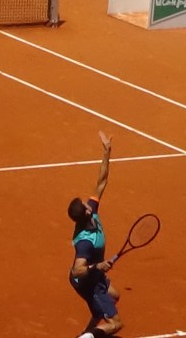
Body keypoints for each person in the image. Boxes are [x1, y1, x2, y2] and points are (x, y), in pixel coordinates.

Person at [68, 131, 122, 338]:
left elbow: (101, 181)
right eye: (85, 204)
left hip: (95, 276)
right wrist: (98, 266)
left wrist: (107, 151)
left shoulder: (92, 211)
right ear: (86, 212)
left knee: (114, 296)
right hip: (87, 281)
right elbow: (76, 271)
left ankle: (87, 332)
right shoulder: (85, 242)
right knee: (116, 324)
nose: (87, 202)